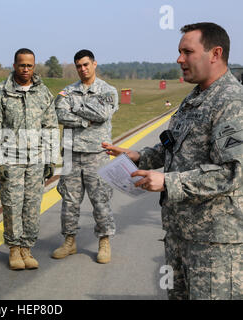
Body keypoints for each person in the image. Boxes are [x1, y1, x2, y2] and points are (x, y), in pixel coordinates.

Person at [103, 22, 242, 300]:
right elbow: (174, 145)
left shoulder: (232, 102)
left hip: (214, 245)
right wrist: (140, 156)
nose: (179, 59)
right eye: (179, 52)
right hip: (180, 234)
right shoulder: (196, 97)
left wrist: (168, 181)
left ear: (215, 54)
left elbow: (232, 172)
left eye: (187, 52)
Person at [0, 48, 59, 270]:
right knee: (12, 205)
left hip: (36, 159)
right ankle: (14, 249)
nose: (26, 69)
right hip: (10, 159)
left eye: (30, 65)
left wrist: (50, 159)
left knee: (32, 205)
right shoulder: (1, 93)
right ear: (14, 65)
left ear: (34, 67)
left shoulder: (43, 93)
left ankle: (27, 248)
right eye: (22, 65)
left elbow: (51, 126)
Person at [51, 49, 118, 264]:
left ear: (94, 64)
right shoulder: (67, 91)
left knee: (100, 200)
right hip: (71, 154)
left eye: (86, 64)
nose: (83, 69)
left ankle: (104, 241)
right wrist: (83, 119)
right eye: (79, 66)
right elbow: (60, 113)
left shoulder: (108, 91)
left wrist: (76, 106)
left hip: (96, 154)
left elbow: (102, 114)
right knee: (69, 201)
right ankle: (69, 241)